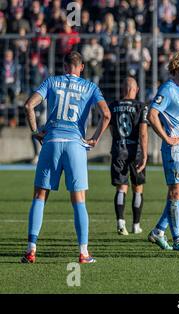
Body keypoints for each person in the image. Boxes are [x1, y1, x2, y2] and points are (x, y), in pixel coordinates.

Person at [20, 51, 111, 264]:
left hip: (51, 141)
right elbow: (106, 114)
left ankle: (31, 249)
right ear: (81, 68)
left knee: (40, 196)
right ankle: (83, 253)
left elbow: (28, 105)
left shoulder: (52, 81)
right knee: (78, 200)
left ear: (64, 66)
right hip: (75, 145)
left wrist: (35, 131)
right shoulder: (90, 87)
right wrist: (95, 138)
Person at [147, 49, 179, 252]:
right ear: (177, 67)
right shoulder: (168, 89)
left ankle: (159, 231)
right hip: (175, 150)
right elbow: (152, 115)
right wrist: (167, 138)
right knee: (176, 191)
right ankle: (177, 238)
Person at [109, 77, 148, 235]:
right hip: (135, 151)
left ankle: (120, 222)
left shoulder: (113, 106)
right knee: (138, 188)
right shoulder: (140, 106)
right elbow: (143, 133)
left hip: (119, 149)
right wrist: (145, 155)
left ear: (122, 89)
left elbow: (111, 128)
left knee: (121, 187)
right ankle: (136, 225)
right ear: (135, 89)